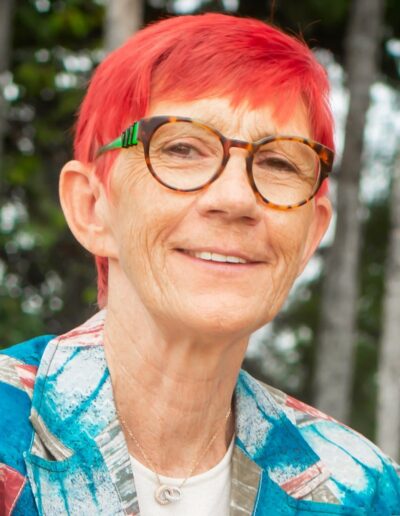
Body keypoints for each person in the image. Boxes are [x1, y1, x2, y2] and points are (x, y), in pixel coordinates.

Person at [1, 12, 399, 516]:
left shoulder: (365, 493)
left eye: (279, 162)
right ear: (92, 208)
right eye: (183, 148)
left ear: (310, 235)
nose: (235, 199)